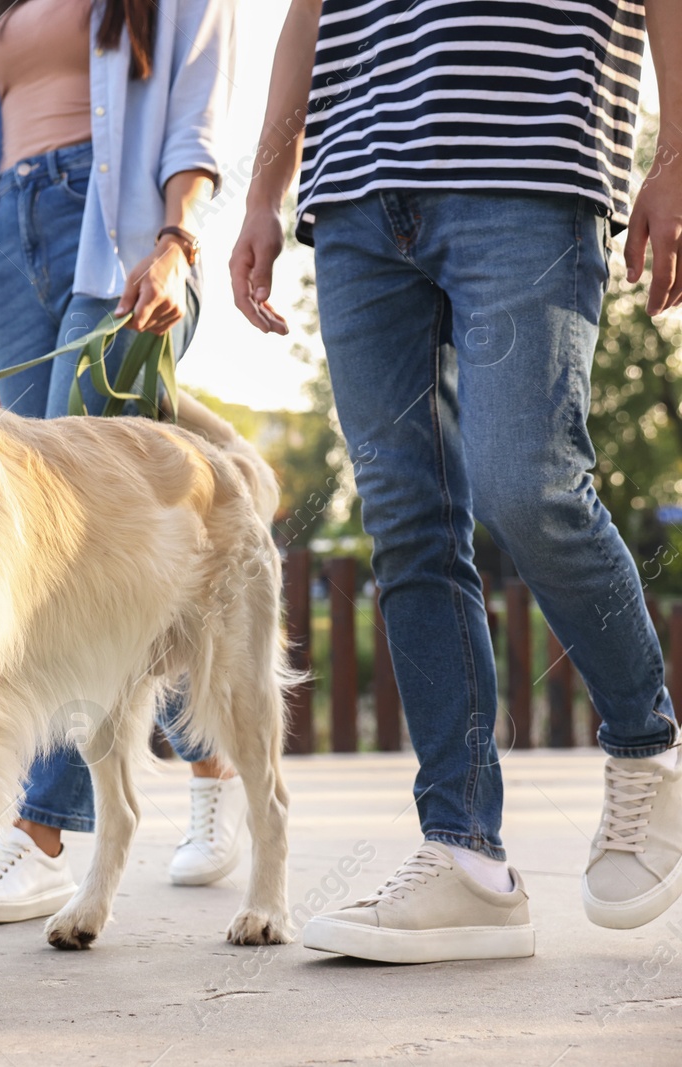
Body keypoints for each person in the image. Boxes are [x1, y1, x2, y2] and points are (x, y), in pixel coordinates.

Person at [232, 0, 682, 961]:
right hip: (356, 190)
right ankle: (466, 856)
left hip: (530, 161)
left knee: (530, 482)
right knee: (407, 524)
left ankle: (647, 748)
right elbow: (308, 15)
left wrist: (675, 153)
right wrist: (263, 190)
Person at [0, 0, 243, 923]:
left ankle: (45, 832)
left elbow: (197, 101)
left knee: (77, 543)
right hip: (13, 235)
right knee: (31, 547)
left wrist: (177, 241)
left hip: (113, 232)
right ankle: (210, 758)